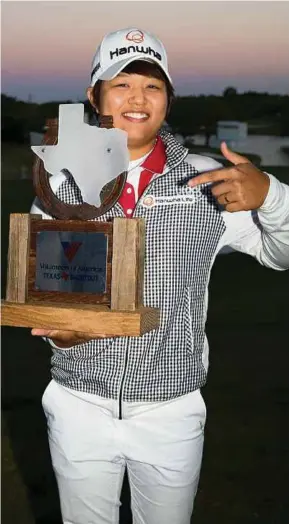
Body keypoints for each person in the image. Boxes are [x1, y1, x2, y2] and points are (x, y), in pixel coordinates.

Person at [31, 27, 289, 524]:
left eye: (152, 86)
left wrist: (272, 198)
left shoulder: (208, 180)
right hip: (77, 403)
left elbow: (280, 255)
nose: (137, 98)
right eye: (121, 83)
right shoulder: (57, 182)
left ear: (169, 99)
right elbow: (50, 291)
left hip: (170, 410)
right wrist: (61, 339)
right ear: (94, 96)